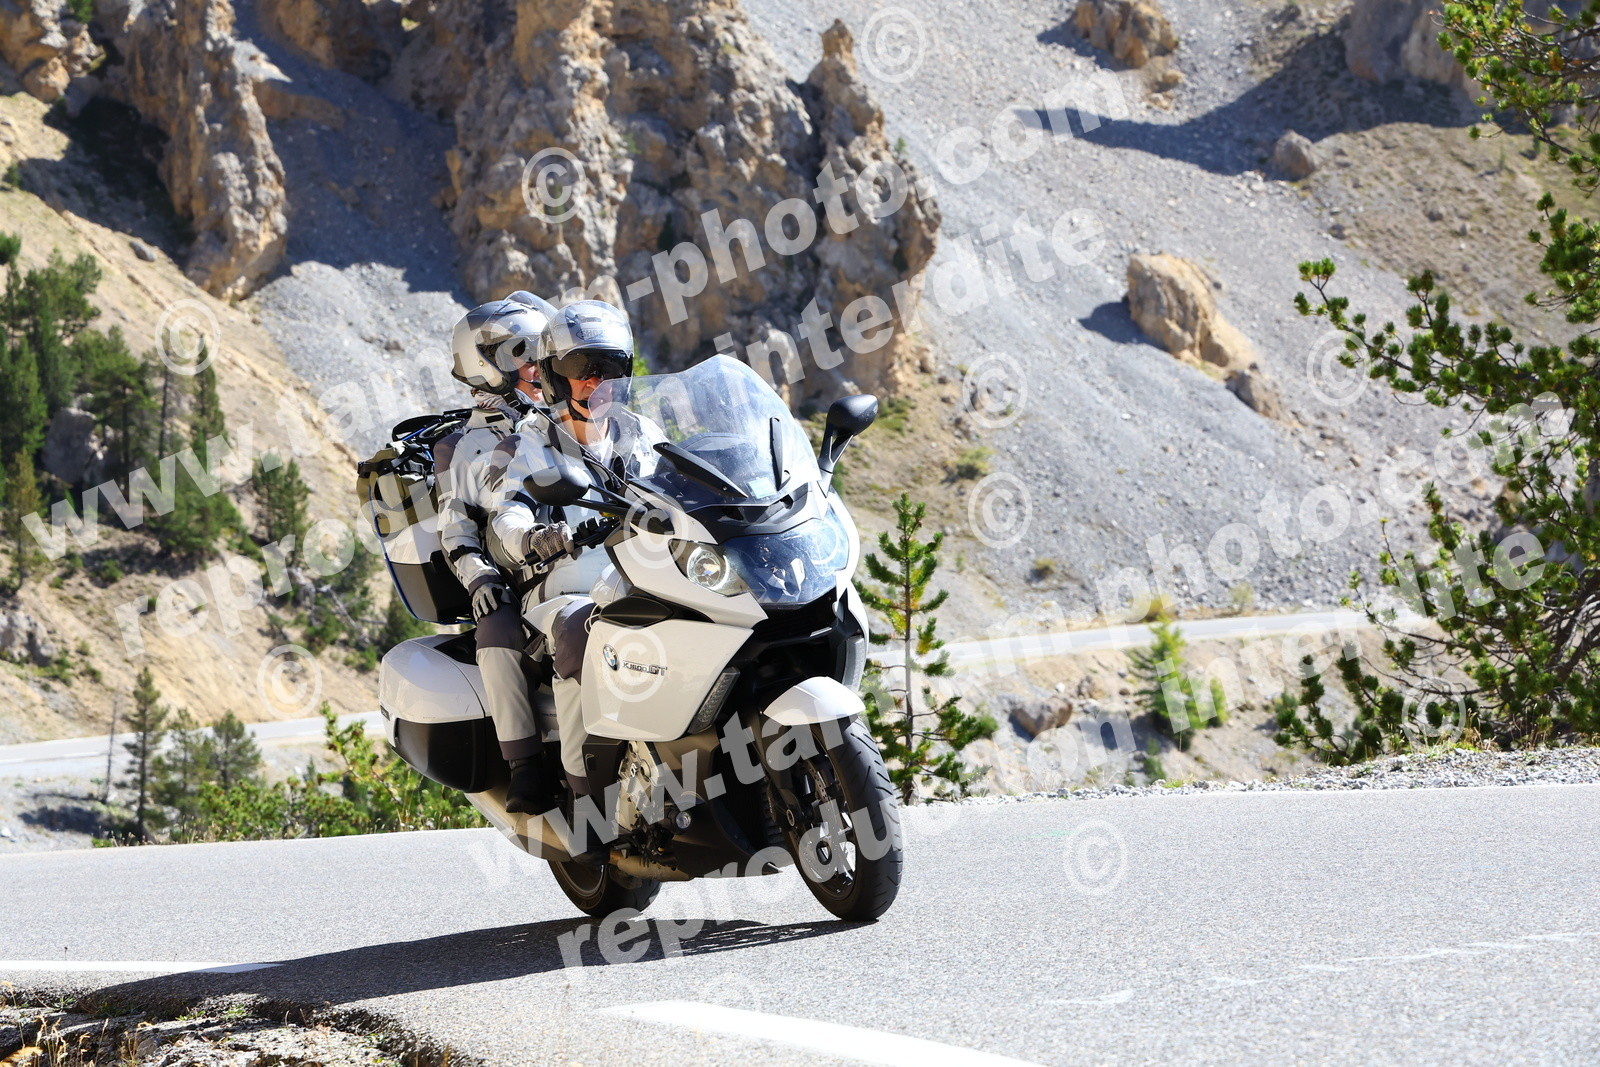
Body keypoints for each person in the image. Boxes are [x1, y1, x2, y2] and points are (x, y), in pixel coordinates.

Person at [488, 300, 640, 824]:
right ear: (554, 377)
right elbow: (506, 513)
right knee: (581, 630)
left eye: (610, 367)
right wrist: (535, 537)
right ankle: (586, 800)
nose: (597, 380)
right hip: (564, 591)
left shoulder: (640, 434)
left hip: (644, 578)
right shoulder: (531, 442)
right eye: (581, 368)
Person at [434, 292, 551, 813]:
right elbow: (455, 529)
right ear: (485, 366)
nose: (536, 366)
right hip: (518, 576)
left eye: (539, 353)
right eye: (520, 355)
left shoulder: (568, 416)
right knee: (497, 630)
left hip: (590, 553)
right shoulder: (464, 449)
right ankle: (526, 766)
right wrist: (480, 578)